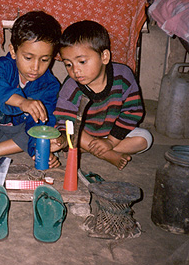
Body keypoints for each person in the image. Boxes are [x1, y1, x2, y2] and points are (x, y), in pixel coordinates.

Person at [51, 20, 153, 170]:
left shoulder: (123, 76)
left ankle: (88, 151)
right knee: (67, 134)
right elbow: (65, 121)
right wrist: (69, 139)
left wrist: (111, 142)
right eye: (68, 64)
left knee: (145, 139)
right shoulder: (70, 87)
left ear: (104, 56)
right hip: (83, 135)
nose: (75, 70)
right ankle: (106, 154)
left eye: (82, 61)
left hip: (113, 134)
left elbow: (132, 112)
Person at [0, 11, 62, 168]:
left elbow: (40, 122)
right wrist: (22, 102)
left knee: (38, 133)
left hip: (15, 132)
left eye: (44, 60)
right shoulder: (0, 67)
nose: (35, 67)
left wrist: (39, 150)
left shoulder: (49, 85)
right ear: (13, 51)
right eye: (28, 58)